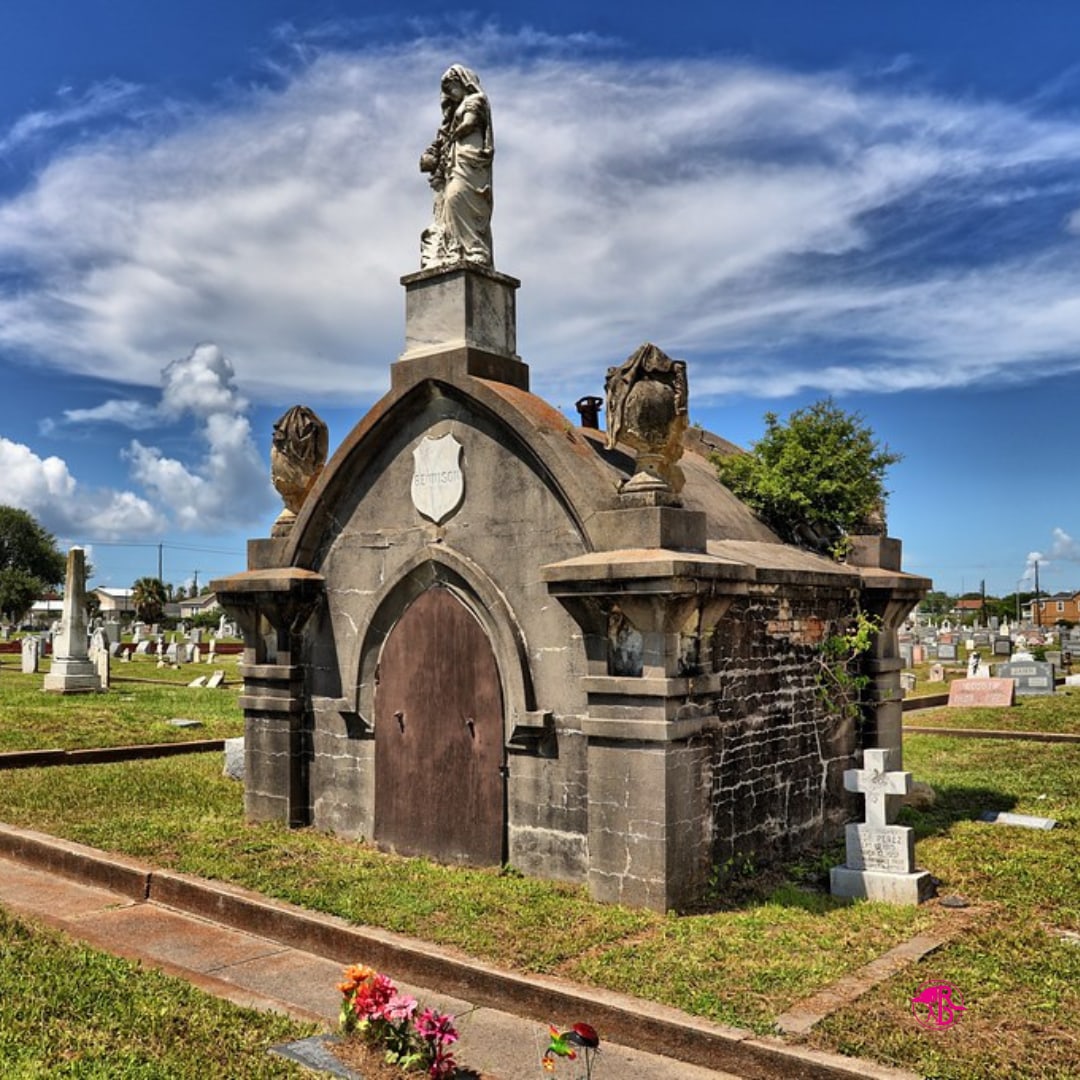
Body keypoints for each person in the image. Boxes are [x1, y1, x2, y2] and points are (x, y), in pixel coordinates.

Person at [420, 65, 494, 268]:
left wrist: (454, 134)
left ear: (462, 82)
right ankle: (455, 248)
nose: (450, 94)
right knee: (449, 203)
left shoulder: (475, 100)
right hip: (456, 159)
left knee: (459, 197)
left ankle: (475, 249)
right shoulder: (453, 114)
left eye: (451, 87)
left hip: (470, 157)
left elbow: (470, 123)